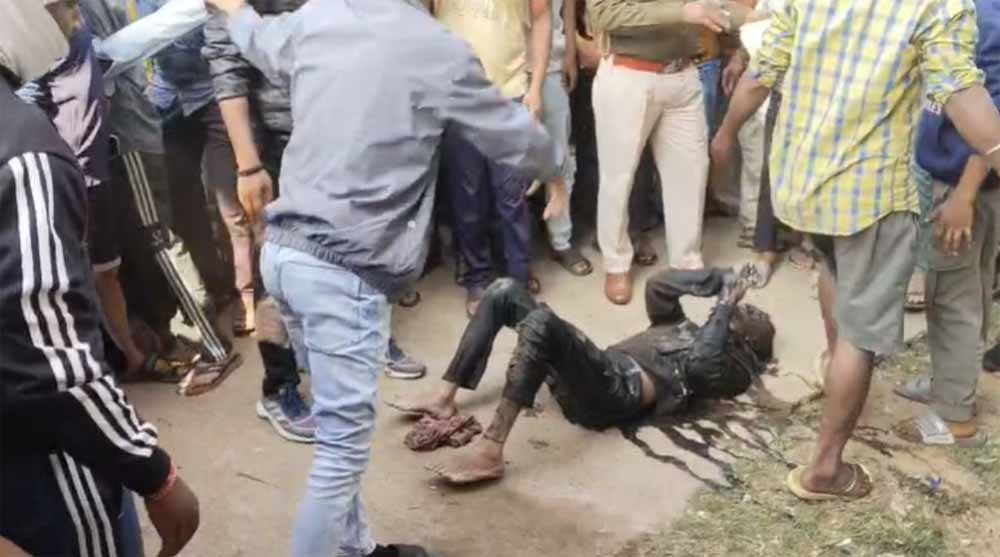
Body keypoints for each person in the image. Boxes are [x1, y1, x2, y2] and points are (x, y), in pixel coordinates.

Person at [207, 0, 569, 555]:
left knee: (337, 435)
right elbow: (517, 139)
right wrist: (557, 168)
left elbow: (257, 39)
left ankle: (356, 549)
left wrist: (234, 9)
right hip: (341, 270)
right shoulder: (436, 48)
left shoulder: (318, 18)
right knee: (341, 456)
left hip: (284, 256)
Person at [713, 0, 1000, 501]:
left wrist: (724, 133)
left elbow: (762, 74)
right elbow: (960, 90)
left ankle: (839, 374)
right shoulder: (936, 5)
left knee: (834, 271)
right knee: (860, 335)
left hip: (804, 181)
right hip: (871, 194)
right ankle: (825, 468)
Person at [0, 2, 199, 555]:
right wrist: (154, 473)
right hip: (40, 461)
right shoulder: (23, 152)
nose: (70, 16)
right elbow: (50, 364)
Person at [390, 266, 774, 484]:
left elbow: (702, 364)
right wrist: (716, 280)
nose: (751, 308)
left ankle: (491, 451)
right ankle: (444, 397)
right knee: (503, 290)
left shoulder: (731, 369)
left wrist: (725, 304)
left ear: (748, 342)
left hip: (613, 394)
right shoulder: (683, 327)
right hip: (594, 369)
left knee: (541, 323)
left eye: (757, 316)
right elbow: (658, 287)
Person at [80, 0, 243, 394]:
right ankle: (165, 338)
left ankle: (213, 346)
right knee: (133, 251)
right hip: (109, 140)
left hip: (125, 138)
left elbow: (101, 61)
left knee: (158, 241)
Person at [587, 0, 751, 305]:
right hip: (628, 75)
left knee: (690, 174)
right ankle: (617, 264)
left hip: (684, 74)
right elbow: (606, 13)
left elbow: (715, 6)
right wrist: (684, 12)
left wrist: (764, 16)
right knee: (618, 179)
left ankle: (686, 264)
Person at [893, 0, 1000, 448]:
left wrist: (964, 194)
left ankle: (955, 416)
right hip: (973, 181)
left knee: (950, 294)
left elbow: (993, 112)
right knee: (971, 289)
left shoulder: (980, 18)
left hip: (965, 184)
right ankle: (952, 383)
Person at [434, 0, 554, 315]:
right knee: (468, 197)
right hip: (458, 99)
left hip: (510, 94)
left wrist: (536, 86)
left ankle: (518, 280)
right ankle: (478, 278)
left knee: (512, 198)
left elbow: (542, 16)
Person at [535, 0, 594, 277]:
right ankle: (515, 255)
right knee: (507, 164)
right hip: (506, 69)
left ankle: (561, 240)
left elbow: (568, 5)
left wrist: (570, 51)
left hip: (552, 62)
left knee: (560, 156)